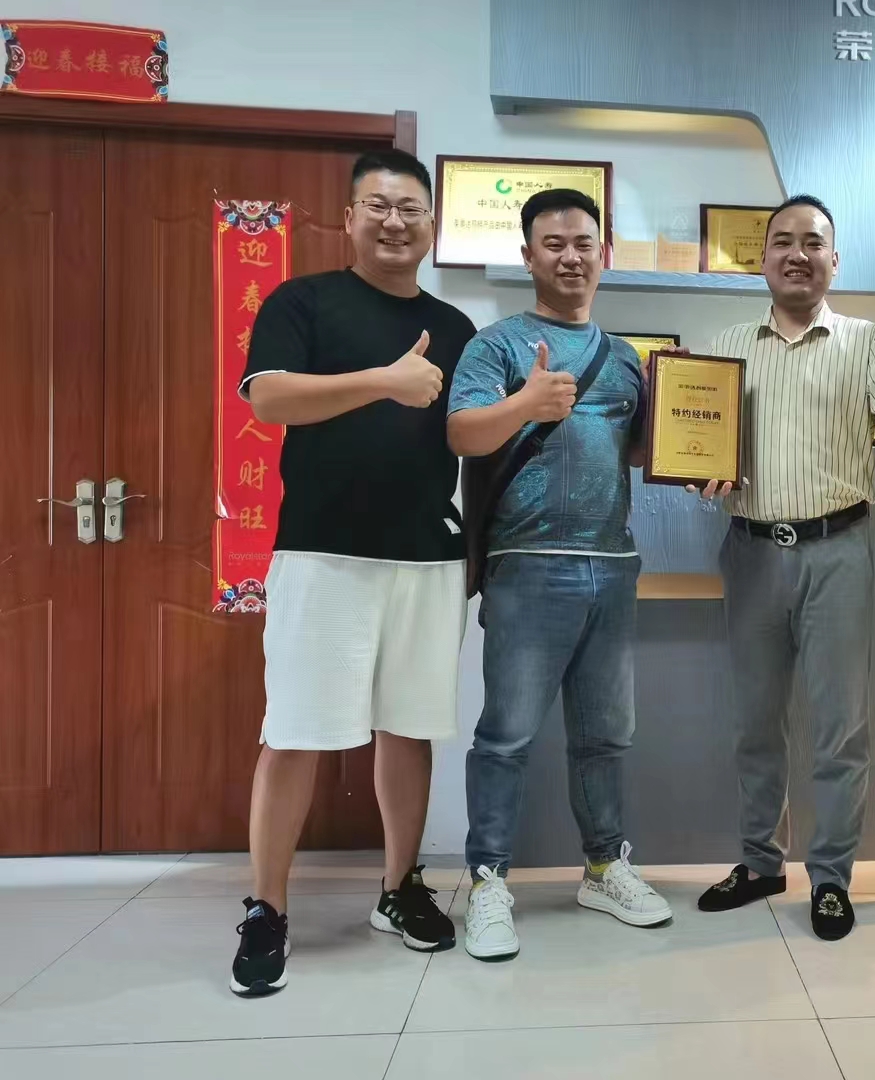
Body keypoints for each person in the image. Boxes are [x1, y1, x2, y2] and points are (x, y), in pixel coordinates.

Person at [230, 149, 475, 997]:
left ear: (432, 223)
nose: (396, 222)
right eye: (379, 206)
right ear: (349, 217)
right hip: (322, 552)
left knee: (409, 728)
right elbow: (267, 399)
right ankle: (267, 908)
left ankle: (399, 887)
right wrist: (384, 381)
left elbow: (467, 437)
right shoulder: (302, 301)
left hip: (426, 556)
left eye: (411, 209)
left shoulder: (455, 327)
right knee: (294, 731)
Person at [694, 195, 875, 941]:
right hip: (750, 550)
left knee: (841, 728)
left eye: (813, 243)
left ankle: (832, 878)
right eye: (782, 241)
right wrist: (695, 468)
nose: (797, 254)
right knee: (755, 723)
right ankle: (761, 862)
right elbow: (694, 439)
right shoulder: (723, 346)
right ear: (762, 259)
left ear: (834, 261)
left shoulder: (867, 343)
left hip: (838, 550)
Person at [446, 188, 671, 962]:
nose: (570, 256)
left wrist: (702, 461)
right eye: (553, 244)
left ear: (603, 255)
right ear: (528, 256)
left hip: (613, 565)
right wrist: (526, 403)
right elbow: (462, 432)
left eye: (583, 243)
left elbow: (639, 449)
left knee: (606, 735)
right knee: (505, 736)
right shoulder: (497, 345)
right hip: (526, 567)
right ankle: (487, 882)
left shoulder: (628, 359)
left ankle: (605, 868)